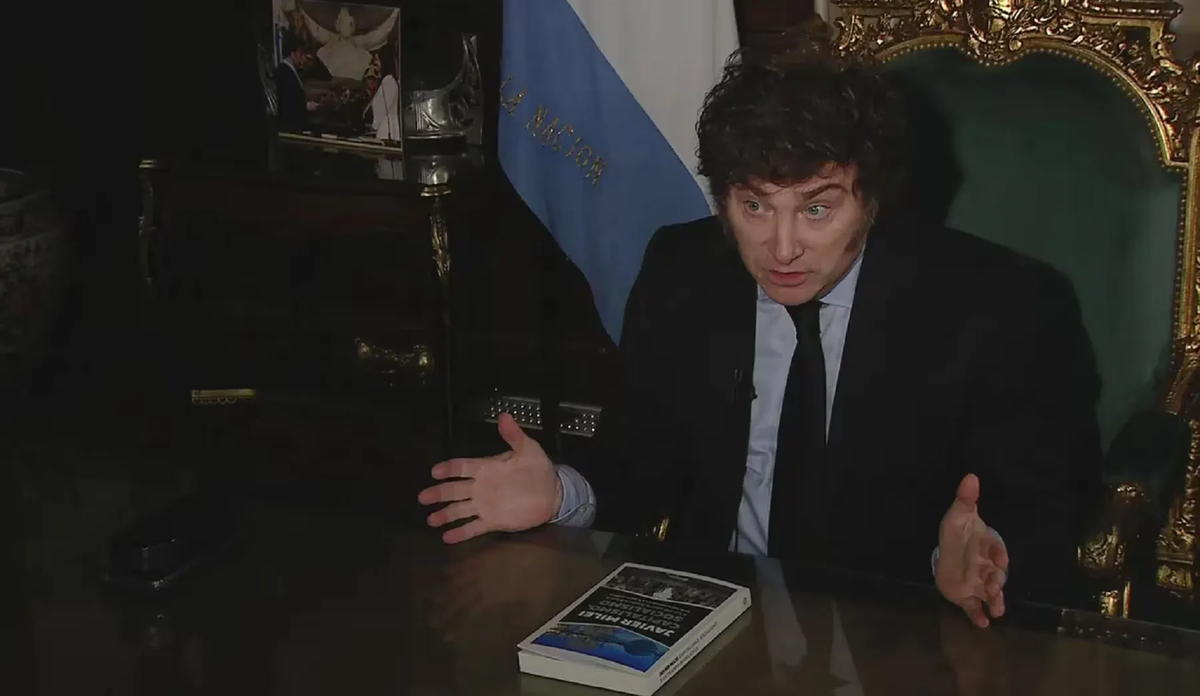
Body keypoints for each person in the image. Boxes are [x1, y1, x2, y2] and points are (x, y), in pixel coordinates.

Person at [419, 40, 1102, 628]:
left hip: (901, 629)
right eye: (754, 206)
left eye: (817, 209)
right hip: (714, 617)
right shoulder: (683, 272)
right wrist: (562, 492)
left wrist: (964, 563)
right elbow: (638, 466)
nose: (782, 248)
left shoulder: (995, 307)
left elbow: (1036, 516)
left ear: (870, 198)